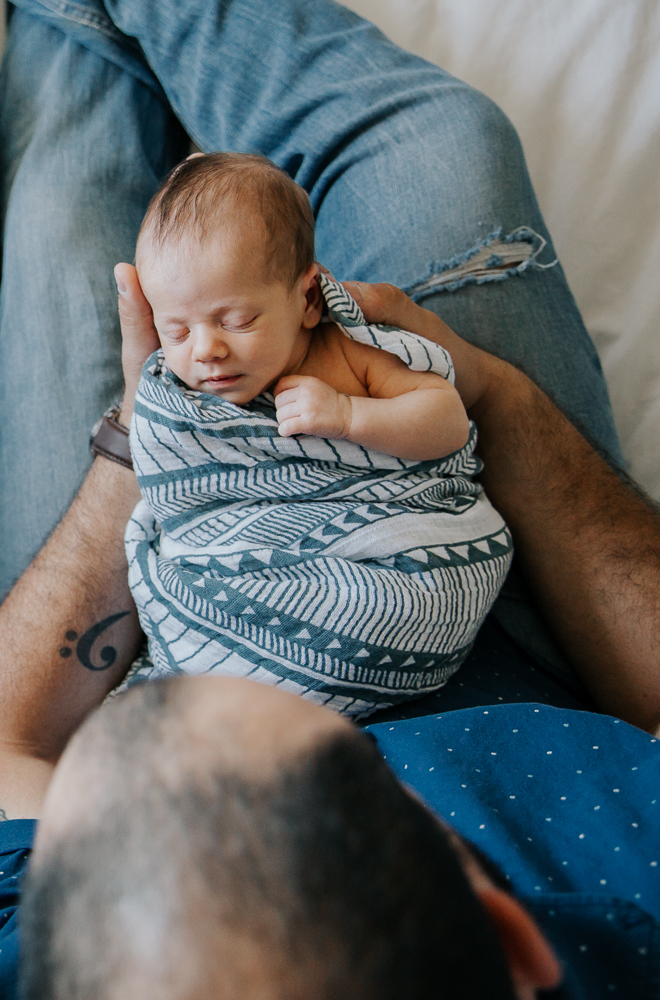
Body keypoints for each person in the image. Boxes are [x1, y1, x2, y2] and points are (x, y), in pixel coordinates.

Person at [0, 0, 660, 997]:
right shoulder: (652, 916)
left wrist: (150, 434)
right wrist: (480, 393)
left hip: (154, 589)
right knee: (440, 145)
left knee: (70, 208)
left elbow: (2, 754)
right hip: (487, 581)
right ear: (514, 944)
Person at [119, 151, 509, 716]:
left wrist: (350, 416)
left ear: (306, 299)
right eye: (175, 329)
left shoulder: (347, 354)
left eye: (237, 320)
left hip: (393, 561)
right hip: (238, 568)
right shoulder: (184, 393)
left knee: (393, 610)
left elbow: (446, 419)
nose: (205, 350)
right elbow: (176, 482)